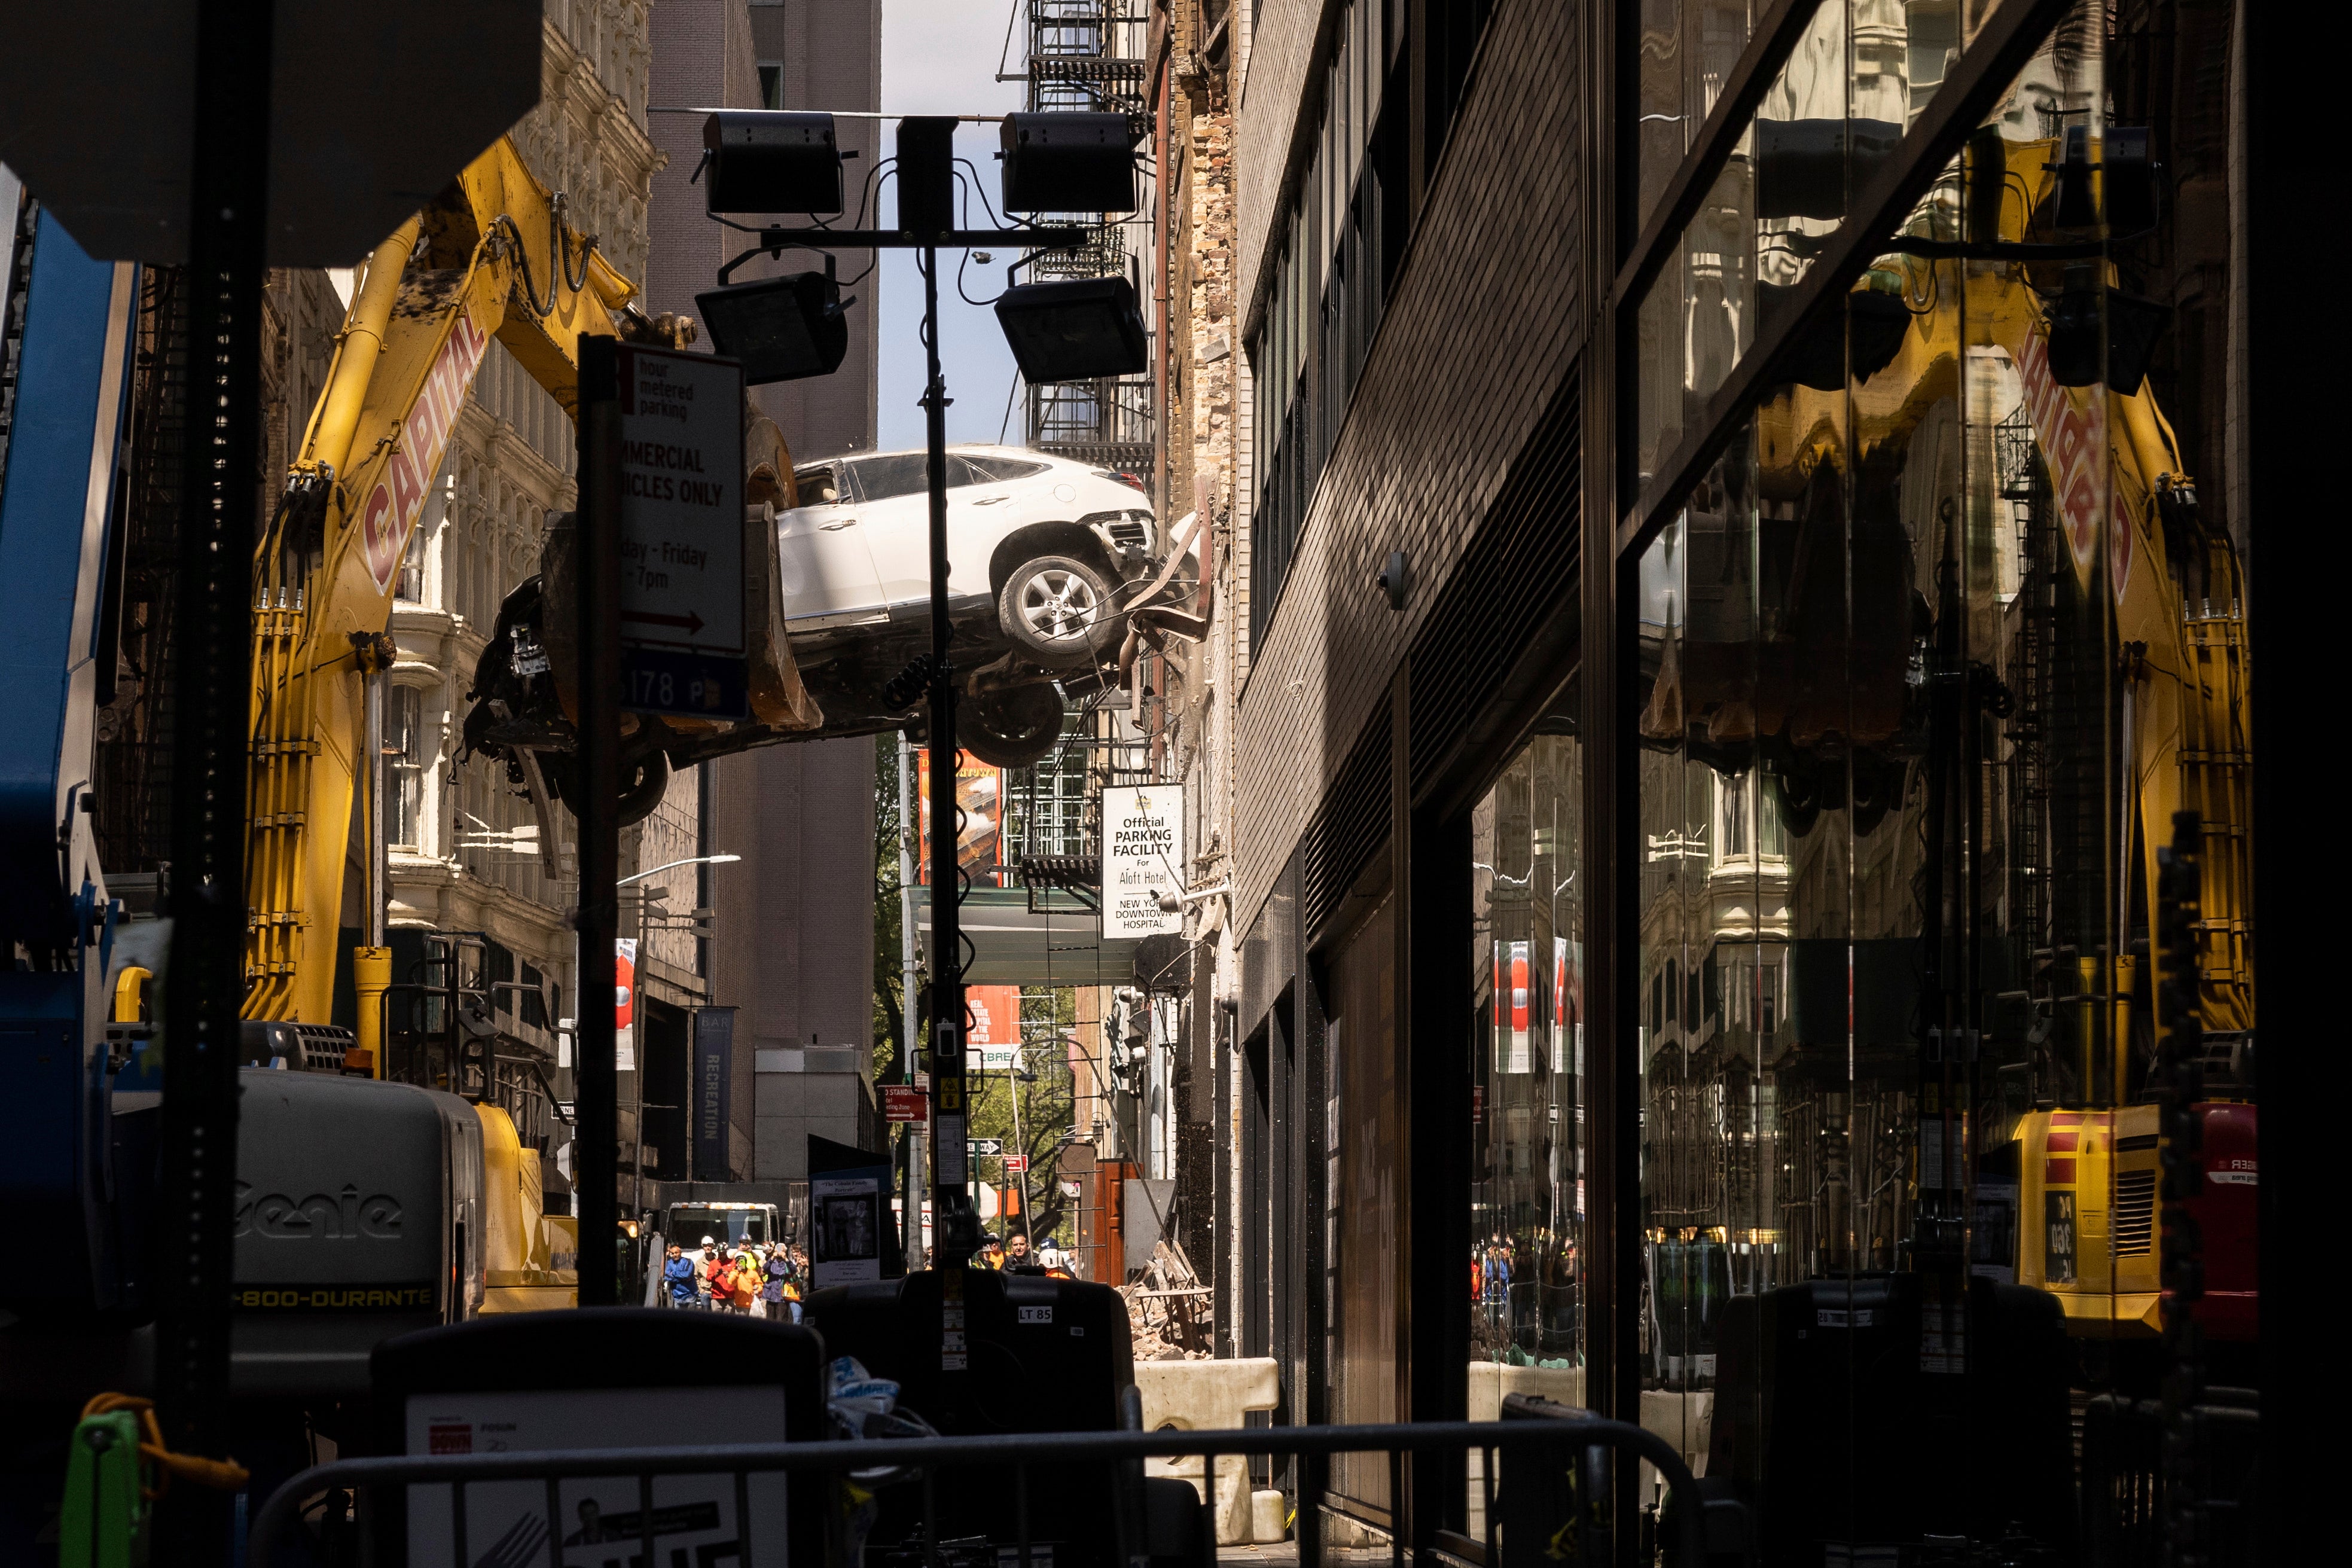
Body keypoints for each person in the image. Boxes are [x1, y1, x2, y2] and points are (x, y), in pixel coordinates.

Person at [663, 1243, 698, 1309]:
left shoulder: (688, 1262)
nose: (675, 1255)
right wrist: (682, 1279)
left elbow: (687, 1275)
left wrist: (673, 1273)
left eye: (676, 1253)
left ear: (680, 1253)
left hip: (690, 1295)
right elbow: (667, 1276)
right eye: (672, 1253)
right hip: (677, 1297)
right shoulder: (669, 1263)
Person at [729, 1246, 759, 1313]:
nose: (741, 1264)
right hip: (740, 1304)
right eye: (739, 1262)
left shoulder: (752, 1272)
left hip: (752, 1304)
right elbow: (730, 1282)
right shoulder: (734, 1273)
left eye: (743, 1261)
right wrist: (738, 1271)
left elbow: (759, 1284)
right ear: (736, 1264)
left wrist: (758, 1290)